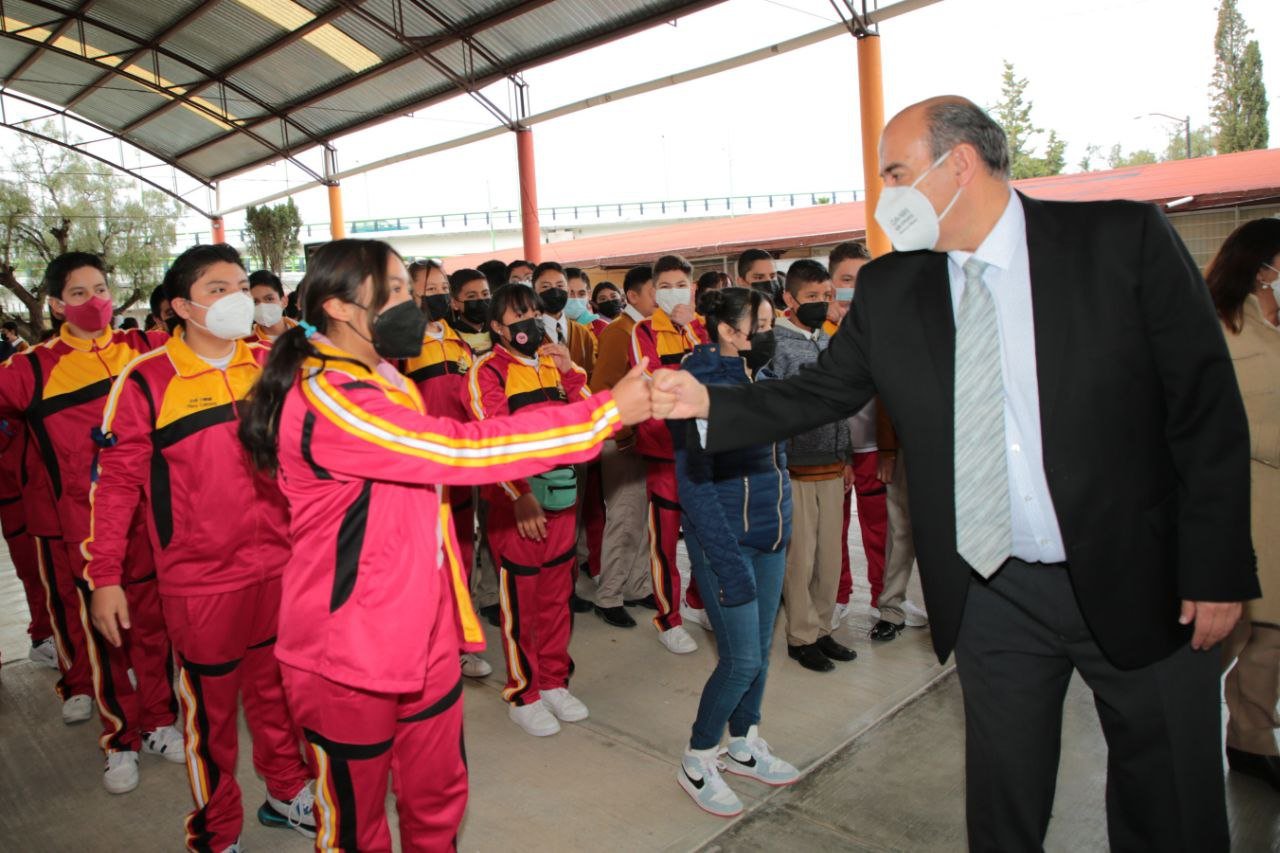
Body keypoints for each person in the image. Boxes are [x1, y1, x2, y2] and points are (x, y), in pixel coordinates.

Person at [652, 96, 1255, 851]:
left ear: (960, 163)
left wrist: (1217, 567)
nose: (886, 195)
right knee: (1004, 804)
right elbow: (821, 392)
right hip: (994, 589)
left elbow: (1205, 410)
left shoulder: (1120, 241)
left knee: (1170, 804)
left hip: (1143, 571)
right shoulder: (893, 289)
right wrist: (709, 402)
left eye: (896, 173)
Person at [237, 239, 652, 849]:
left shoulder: (381, 377)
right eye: (396, 291)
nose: (413, 304)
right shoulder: (329, 396)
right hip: (349, 646)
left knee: (437, 800)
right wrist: (603, 413)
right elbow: (460, 449)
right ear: (342, 308)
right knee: (357, 824)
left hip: (418, 628)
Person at [86, 244, 314, 850]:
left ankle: (286, 791)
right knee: (212, 718)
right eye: (218, 289)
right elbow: (116, 486)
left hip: (282, 566)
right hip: (201, 580)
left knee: (277, 694)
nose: (237, 298)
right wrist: (105, 576)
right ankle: (217, 831)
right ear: (182, 307)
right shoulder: (146, 380)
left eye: (240, 286)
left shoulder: (272, 365)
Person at [0, 251, 180, 793]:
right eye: (78, 294)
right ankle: (120, 738)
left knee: (153, 629)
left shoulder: (145, 348)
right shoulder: (30, 369)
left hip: (151, 519)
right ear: (57, 305)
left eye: (100, 289)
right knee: (105, 639)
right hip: (85, 531)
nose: (94, 301)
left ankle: (160, 721)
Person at [670, 286, 799, 817]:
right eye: (761, 325)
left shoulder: (761, 380)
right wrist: (725, 562)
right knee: (741, 659)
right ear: (728, 330)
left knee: (759, 652)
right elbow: (693, 486)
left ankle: (743, 742)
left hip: (770, 537)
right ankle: (699, 756)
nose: (770, 333)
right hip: (726, 543)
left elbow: (778, 462)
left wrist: (784, 524)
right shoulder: (697, 387)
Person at [469, 283, 598, 736]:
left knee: (557, 599)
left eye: (532, 311)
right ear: (498, 327)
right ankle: (523, 693)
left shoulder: (553, 362)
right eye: (516, 315)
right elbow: (492, 441)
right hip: (517, 508)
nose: (528, 320)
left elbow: (589, 422)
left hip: (563, 498)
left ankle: (554, 681)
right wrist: (520, 495)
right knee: (522, 606)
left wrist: (570, 374)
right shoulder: (487, 371)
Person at [1206, 217, 1280, 792]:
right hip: (1243, 501)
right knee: (1225, 629)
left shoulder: (1273, 323)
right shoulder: (1219, 327)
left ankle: (1252, 739)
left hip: (1275, 506)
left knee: (1273, 634)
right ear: (1261, 268)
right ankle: (1173, 728)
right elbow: (1218, 420)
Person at [402, 269, 493, 681]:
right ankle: (422, 644)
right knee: (424, 562)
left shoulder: (460, 343)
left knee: (462, 554)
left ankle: (457, 642)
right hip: (421, 469)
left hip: (459, 464)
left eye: (443, 289)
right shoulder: (401, 345)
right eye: (430, 290)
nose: (438, 296)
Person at [771, 260, 856, 672]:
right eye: (811, 297)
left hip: (833, 463)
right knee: (800, 559)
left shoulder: (830, 338)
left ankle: (823, 629)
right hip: (796, 467)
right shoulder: (776, 344)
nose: (820, 303)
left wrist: (847, 456)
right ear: (789, 298)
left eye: (825, 296)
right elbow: (774, 407)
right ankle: (801, 636)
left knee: (829, 557)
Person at [630, 254, 709, 654]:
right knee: (664, 541)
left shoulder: (703, 327)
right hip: (663, 451)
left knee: (704, 533)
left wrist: (691, 329)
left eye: (680, 285)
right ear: (653, 291)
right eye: (664, 286)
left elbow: (717, 372)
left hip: (702, 449)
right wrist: (692, 378)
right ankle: (668, 618)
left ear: (691, 289)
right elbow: (653, 379)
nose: (673, 292)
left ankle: (696, 601)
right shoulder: (643, 330)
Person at [587, 266, 656, 628]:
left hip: (646, 437)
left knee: (642, 518)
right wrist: (623, 433)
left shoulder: (650, 329)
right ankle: (609, 595)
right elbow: (603, 388)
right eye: (656, 291)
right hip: (622, 439)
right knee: (625, 517)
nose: (663, 297)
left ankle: (637, 585)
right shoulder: (619, 331)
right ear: (632, 296)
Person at [532, 261, 598, 375]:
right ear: (534, 292)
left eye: (560, 286)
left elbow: (591, 374)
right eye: (546, 286)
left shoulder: (582, 333)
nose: (555, 291)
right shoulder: (529, 333)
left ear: (567, 290)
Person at [447, 268, 493, 356]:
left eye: (485, 294)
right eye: (472, 296)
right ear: (454, 303)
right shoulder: (451, 338)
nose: (481, 299)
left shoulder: (500, 330)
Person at [247, 270, 298, 343]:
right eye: (255, 302)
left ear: (284, 301)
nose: (262, 306)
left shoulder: (306, 330)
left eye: (269, 299)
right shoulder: (246, 343)